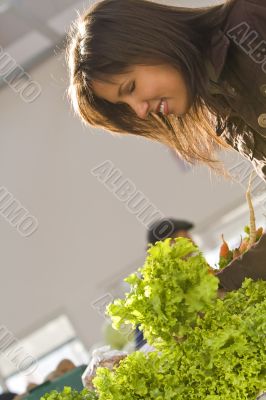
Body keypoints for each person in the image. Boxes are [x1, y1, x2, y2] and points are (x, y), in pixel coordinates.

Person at [66, 0, 266, 181]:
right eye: (124, 105)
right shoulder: (221, 114)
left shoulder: (252, 19)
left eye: (131, 87)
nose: (140, 111)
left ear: (153, 42)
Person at [135, 218, 195, 349]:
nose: (194, 245)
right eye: (187, 240)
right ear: (168, 245)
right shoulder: (152, 283)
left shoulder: (186, 272)